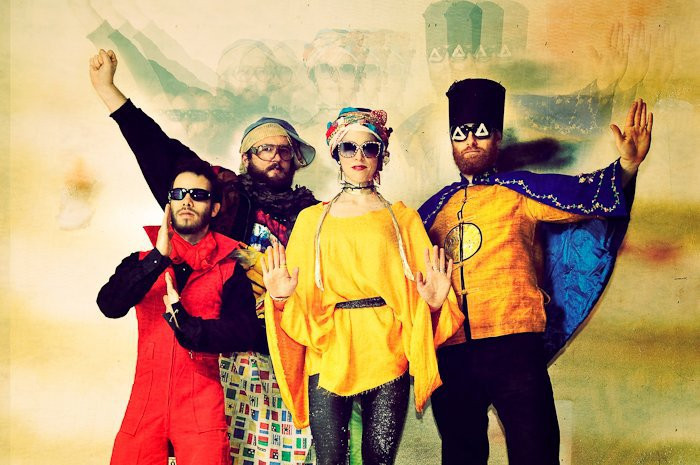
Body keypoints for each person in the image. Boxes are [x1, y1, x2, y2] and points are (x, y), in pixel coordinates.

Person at [89, 49, 318, 465]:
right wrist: (109, 92)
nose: (276, 156)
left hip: (290, 349)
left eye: (285, 150)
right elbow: (160, 151)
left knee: (288, 455)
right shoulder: (226, 197)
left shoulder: (316, 213)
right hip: (230, 358)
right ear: (245, 158)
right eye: (264, 149)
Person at [419, 78, 653, 465]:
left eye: (481, 131)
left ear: (497, 137)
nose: (470, 141)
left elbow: (584, 199)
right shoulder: (431, 211)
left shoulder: (521, 192)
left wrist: (628, 165)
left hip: (515, 345)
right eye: (460, 134)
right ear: (451, 141)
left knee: (536, 453)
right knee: (460, 456)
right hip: (452, 350)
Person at [261, 107, 465, 465]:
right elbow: (296, 306)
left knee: (378, 460)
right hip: (328, 347)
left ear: (381, 155)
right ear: (336, 154)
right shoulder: (311, 220)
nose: (358, 155)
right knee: (329, 459)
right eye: (348, 147)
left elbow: (423, 294)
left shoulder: (403, 219)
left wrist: (433, 305)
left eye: (369, 147)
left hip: (386, 346)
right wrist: (279, 298)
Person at [96, 162, 260, 465]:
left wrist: (191, 329)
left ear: (214, 208)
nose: (187, 200)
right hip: (146, 402)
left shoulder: (229, 268)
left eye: (198, 195)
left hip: (201, 403)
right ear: (169, 204)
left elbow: (246, 330)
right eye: (179, 193)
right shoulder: (141, 261)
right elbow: (109, 305)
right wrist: (157, 259)